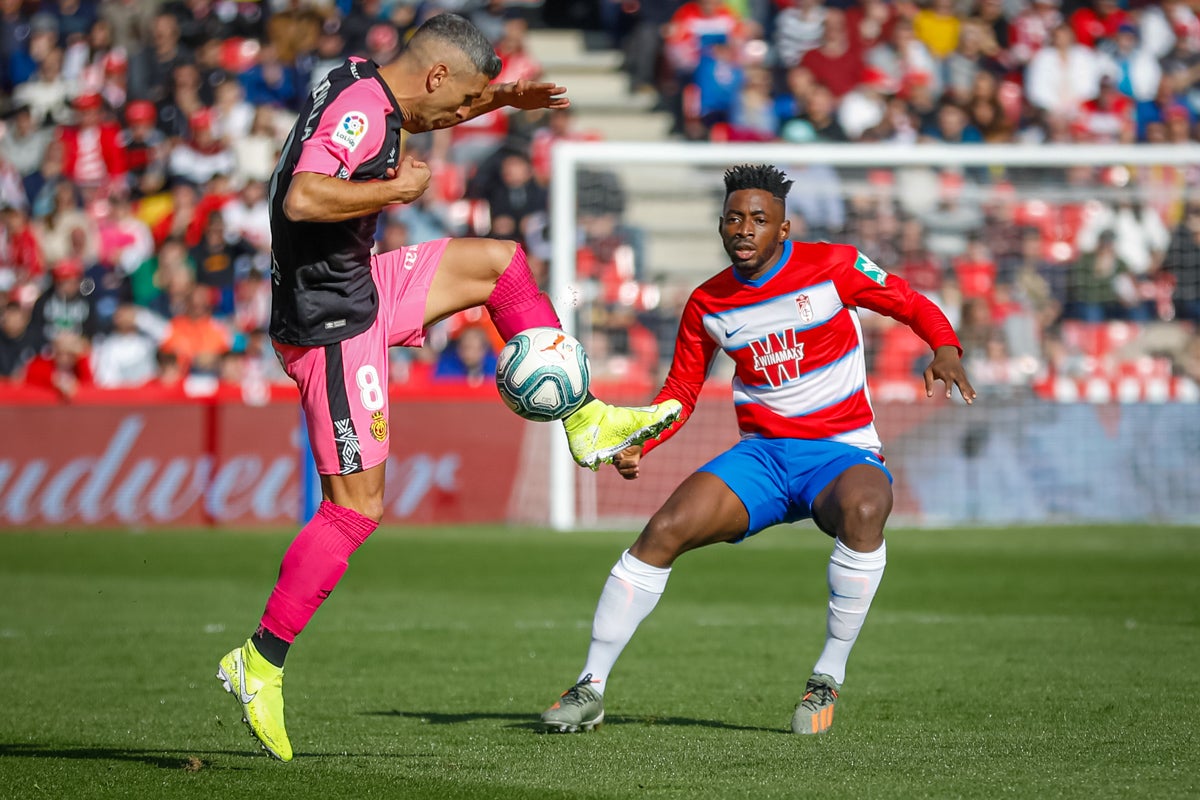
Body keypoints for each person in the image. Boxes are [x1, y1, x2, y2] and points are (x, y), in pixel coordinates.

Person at [215, 14, 682, 762]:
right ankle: (259, 661)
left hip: (359, 286)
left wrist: (498, 98)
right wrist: (396, 189)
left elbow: (433, 101)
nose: (460, 118)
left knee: (501, 262)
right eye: (462, 100)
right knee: (356, 510)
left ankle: (586, 420)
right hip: (330, 326)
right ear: (434, 77)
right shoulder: (367, 114)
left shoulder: (366, 80)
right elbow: (303, 199)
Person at [539, 165, 976, 736]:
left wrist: (944, 346)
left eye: (758, 219)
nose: (745, 229)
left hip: (840, 454)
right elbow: (680, 392)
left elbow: (910, 302)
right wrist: (642, 440)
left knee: (867, 510)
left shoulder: (835, 266)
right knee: (664, 528)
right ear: (721, 227)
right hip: (763, 458)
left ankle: (826, 677)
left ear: (783, 228)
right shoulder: (707, 304)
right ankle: (589, 687)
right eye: (734, 218)